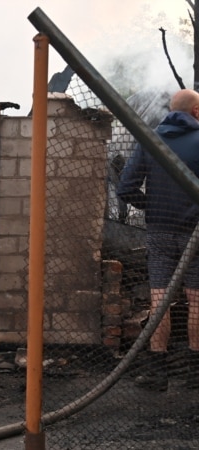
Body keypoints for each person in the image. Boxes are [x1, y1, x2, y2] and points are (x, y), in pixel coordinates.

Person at [118, 88, 199, 391]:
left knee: (159, 299)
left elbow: (125, 188)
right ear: (196, 112)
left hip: (160, 231)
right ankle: (194, 372)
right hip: (195, 233)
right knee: (196, 299)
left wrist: (150, 208)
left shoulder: (150, 141)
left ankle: (156, 372)